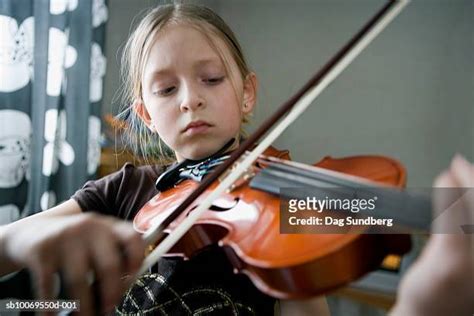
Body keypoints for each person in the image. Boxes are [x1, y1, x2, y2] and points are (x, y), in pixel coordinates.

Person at [0, 3, 472, 315]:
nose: (190, 100)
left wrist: (439, 236)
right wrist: (30, 241)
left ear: (247, 95)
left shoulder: (286, 206)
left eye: (211, 79)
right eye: (166, 89)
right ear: (145, 113)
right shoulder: (123, 190)